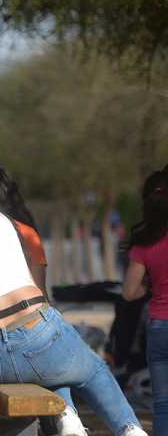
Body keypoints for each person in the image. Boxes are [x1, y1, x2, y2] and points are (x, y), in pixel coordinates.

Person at [0, 149, 146, 436]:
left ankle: (68, 417)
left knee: (40, 370)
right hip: (39, 334)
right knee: (92, 370)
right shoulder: (0, 217)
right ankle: (125, 428)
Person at [123, 168, 168, 434]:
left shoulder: (144, 244)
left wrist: (152, 285)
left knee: (163, 405)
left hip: (160, 328)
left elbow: (129, 292)